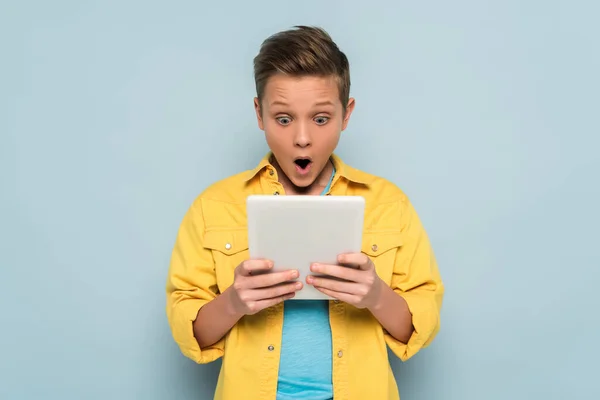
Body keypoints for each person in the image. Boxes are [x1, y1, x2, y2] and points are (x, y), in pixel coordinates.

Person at [165, 25, 444, 400]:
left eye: (321, 118)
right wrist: (233, 302)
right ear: (259, 113)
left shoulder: (389, 205)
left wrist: (376, 295)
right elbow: (189, 332)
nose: (301, 138)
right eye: (283, 119)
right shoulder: (213, 206)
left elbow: (419, 326)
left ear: (346, 114)